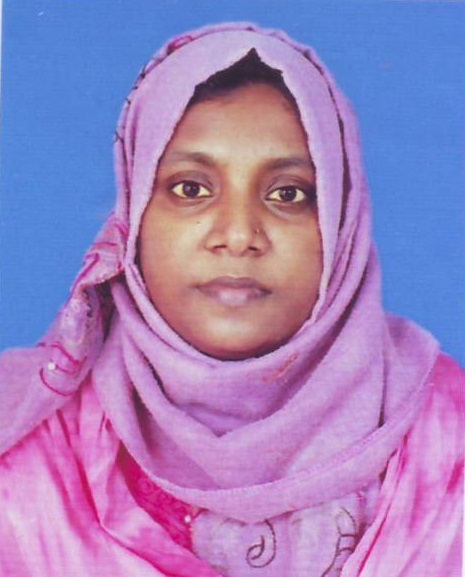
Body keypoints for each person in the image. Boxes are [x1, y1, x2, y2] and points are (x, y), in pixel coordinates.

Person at [0, 23, 462, 577]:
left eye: (287, 194)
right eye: (191, 189)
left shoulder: (449, 436)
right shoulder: (23, 451)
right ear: (134, 217)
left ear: (342, 223)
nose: (239, 235)